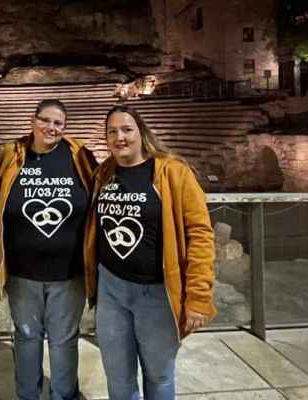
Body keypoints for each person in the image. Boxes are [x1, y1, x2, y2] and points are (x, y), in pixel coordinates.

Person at [83, 105, 216, 400]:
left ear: (141, 133)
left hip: (156, 294)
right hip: (111, 290)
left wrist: (198, 297)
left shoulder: (173, 172)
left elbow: (201, 234)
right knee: (118, 378)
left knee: (159, 375)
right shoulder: (104, 174)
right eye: (112, 131)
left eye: (127, 130)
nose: (120, 137)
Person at [0, 99, 98, 400]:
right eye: (45, 120)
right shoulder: (11, 154)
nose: (51, 128)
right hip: (21, 271)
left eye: (58, 123)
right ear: (32, 120)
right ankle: (27, 395)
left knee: (64, 339)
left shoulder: (79, 155)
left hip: (70, 271)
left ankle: (64, 395)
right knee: (26, 337)